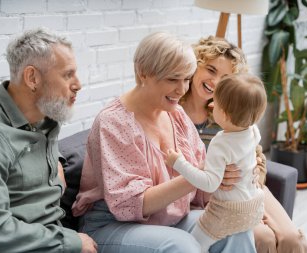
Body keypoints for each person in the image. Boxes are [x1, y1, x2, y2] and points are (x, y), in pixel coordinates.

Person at [72, 32, 258, 253]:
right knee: (181, 246)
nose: (182, 90)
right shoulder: (113, 122)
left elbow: (202, 189)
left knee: (234, 228)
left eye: (187, 78)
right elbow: (128, 205)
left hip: (169, 218)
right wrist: (199, 176)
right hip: (113, 225)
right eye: (172, 79)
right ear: (143, 73)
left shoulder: (177, 115)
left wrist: (231, 179)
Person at [180, 35, 307, 253]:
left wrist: (258, 171)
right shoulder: (174, 112)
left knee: (292, 240)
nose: (215, 82)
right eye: (211, 70)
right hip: (221, 202)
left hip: (249, 190)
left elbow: (257, 158)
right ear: (195, 66)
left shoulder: (232, 116)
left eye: (226, 77)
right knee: (264, 238)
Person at [0, 28, 97, 253]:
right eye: (67, 74)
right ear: (32, 78)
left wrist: (56, 160)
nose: (78, 84)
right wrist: (73, 243)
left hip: (55, 233)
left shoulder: (46, 117)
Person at [166, 73, 267, 253]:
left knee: (193, 245)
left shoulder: (221, 143)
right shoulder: (253, 131)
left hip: (226, 212)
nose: (211, 106)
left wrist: (178, 163)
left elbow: (210, 183)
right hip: (254, 206)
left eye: (216, 105)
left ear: (225, 115)